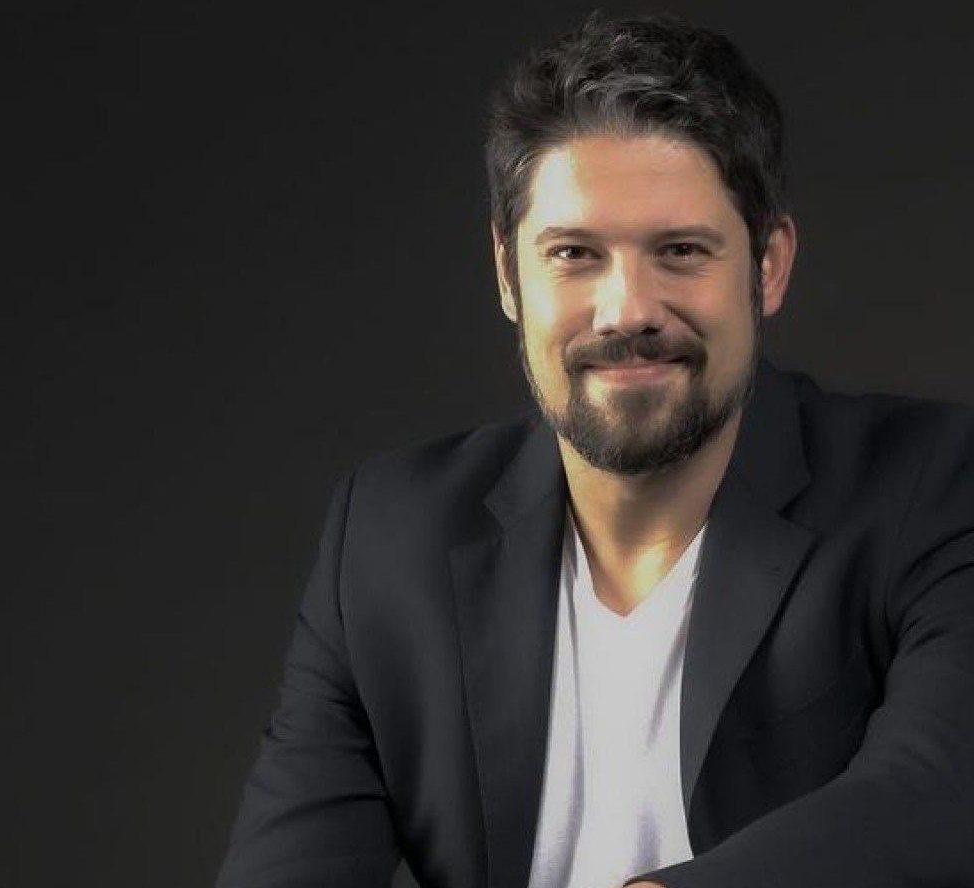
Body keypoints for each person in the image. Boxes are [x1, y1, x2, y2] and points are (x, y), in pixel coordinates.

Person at [216, 11, 974, 888]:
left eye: (680, 251)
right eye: (575, 253)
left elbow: (937, 794)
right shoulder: (389, 538)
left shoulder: (935, 485)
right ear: (509, 274)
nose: (627, 311)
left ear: (768, 266)